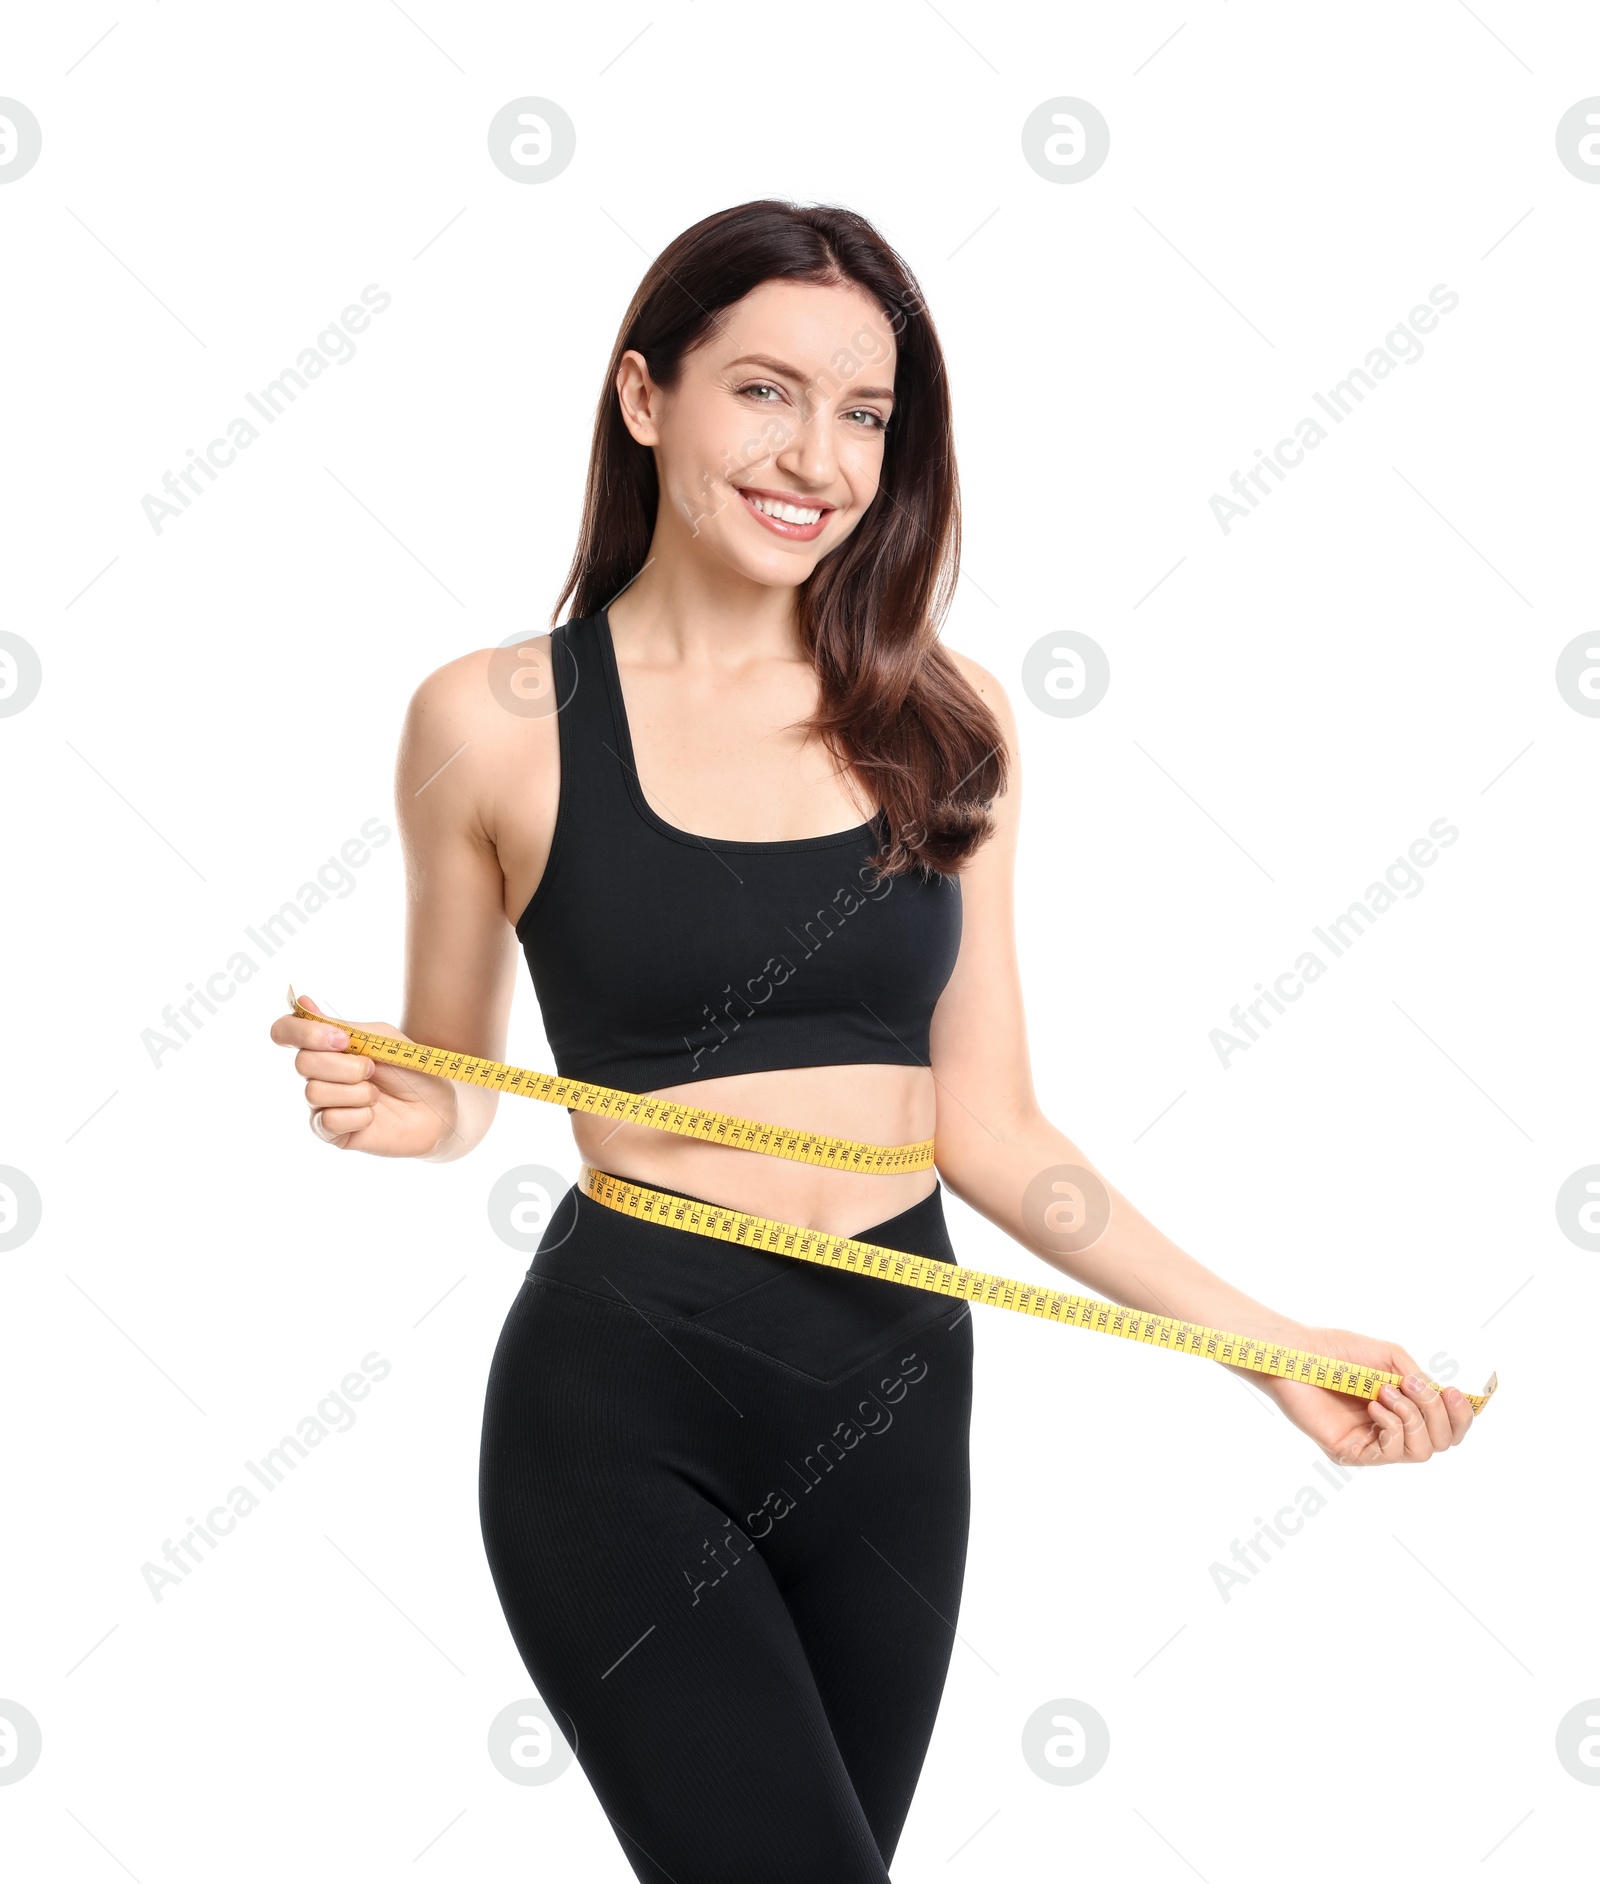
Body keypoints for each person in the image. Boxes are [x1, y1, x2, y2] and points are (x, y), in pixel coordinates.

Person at [269, 199, 1475, 1882]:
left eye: (865, 414)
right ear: (642, 396)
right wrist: (404, 1111)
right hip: (628, 1400)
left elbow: (998, 1134)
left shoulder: (946, 717)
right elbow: (453, 1069)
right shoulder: (488, 721)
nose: (819, 457)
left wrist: (1271, 1346)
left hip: (899, 1392)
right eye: (763, 391)